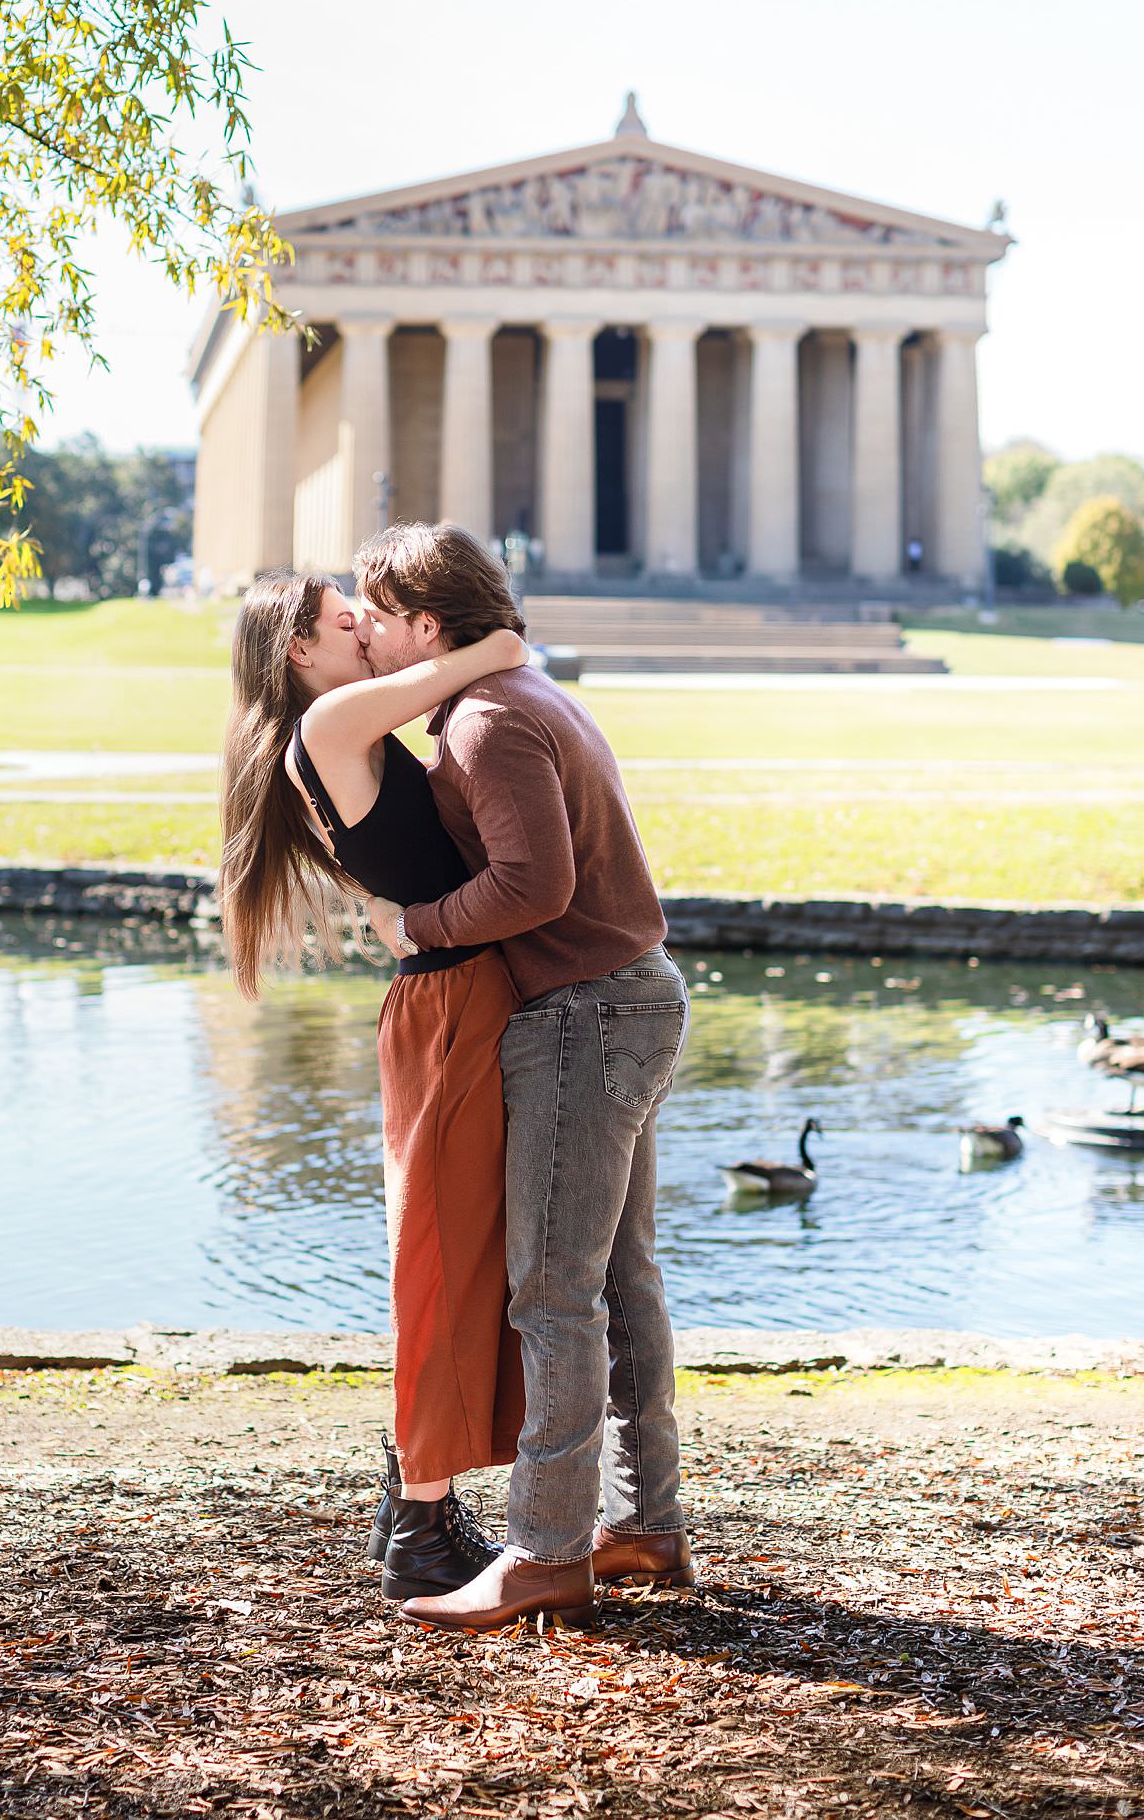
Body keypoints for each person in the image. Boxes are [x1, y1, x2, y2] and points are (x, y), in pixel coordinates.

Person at [354, 523, 694, 1633]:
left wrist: (417, 924)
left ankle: (546, 1551)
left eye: (381, 618)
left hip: (585, 1014)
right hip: (632, 995)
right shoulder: (524, 695)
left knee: (553, 1290)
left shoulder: (490, 721)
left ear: (426, 622)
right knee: (620, 1283)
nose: (372, 641)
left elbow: (534, 886)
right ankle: (647, 1524)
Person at [218, 571, 527, 1601]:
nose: (369, 631)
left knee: (449, 1255)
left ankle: (416, 1503)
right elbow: (496, 656)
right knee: (440, 1264)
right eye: (352, 622)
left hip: (443, 996)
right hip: (449, 1004)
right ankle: (423, 1532)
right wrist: (462, 627)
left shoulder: (317, 737)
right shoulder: (339, 716)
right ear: (302, 651)